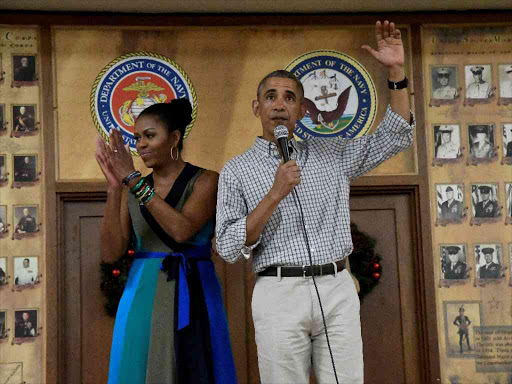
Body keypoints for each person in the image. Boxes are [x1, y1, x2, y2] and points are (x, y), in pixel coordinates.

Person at [216, 21, 413, 384]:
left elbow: (396, 134)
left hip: (336, 285)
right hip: (278, 291)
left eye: (290, 98)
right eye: (271, 96)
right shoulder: (236, 170)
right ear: (256, 107)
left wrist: (397, 72)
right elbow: (227, 246)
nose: (280, 104)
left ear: (302, 110)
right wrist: (274, 194)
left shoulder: (331, 152)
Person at [95, 98, 236, 384]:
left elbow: (181, 231)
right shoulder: (131, 186)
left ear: (174, 138)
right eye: (136, 138)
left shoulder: (206, 180)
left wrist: (133, 182)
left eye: (149, 135)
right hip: (142, 292)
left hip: (195, 288)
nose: (140, 145)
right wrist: (114, 188)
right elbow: (111, 253)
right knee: (136, 367)